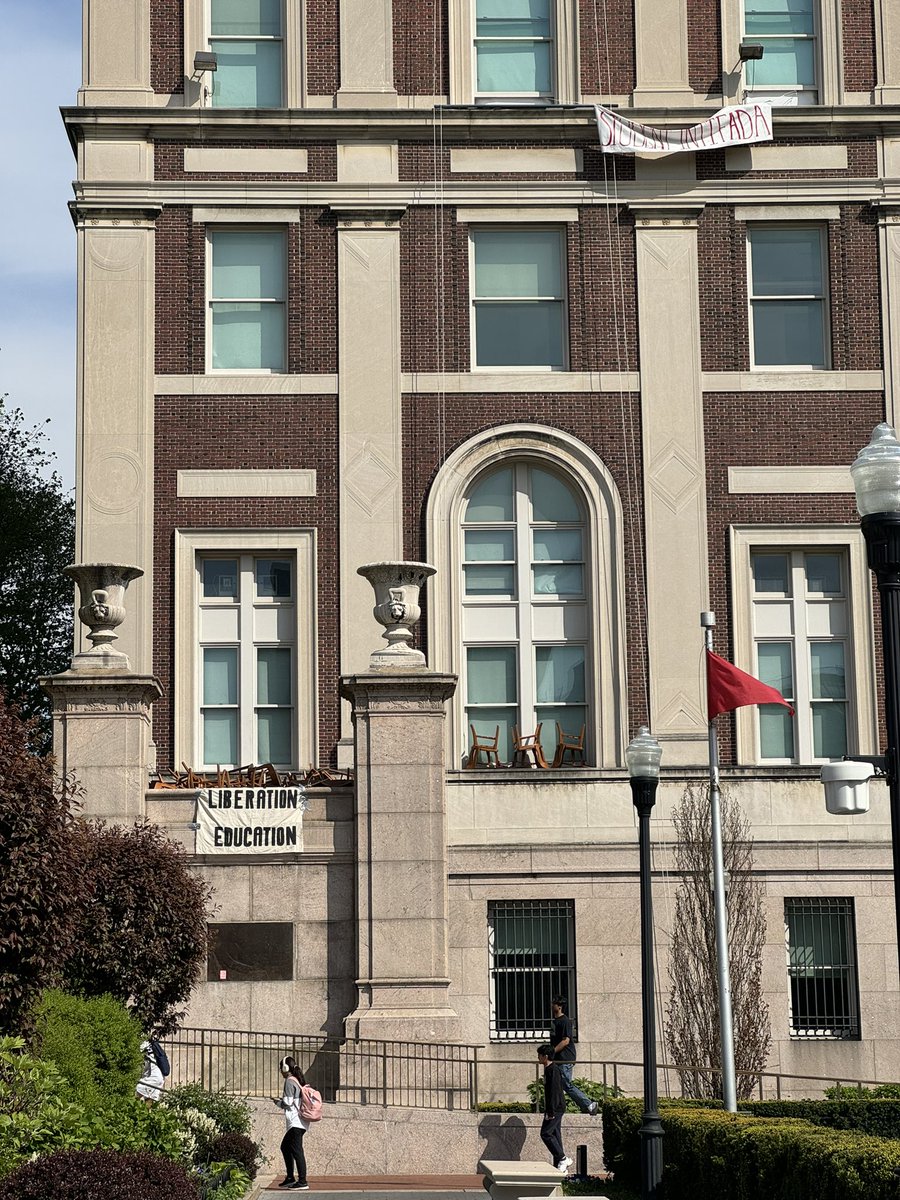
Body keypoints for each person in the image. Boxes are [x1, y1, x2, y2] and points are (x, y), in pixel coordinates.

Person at [550, 995, 598, 1116]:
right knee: (556, 1084)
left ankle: (589, 1104)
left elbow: (565, 1041)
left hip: (565, 1058)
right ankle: (556, 1108)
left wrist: (552, 1052)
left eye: (554, 1004)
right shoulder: (555, 1021)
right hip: (557, 1059)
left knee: (566, 1084)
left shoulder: (565, 1021)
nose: (551, 1006)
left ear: (559, 1007)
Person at [273, 1055, 310, 1190]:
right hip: (300, 1122)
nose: (280, 1071)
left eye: (280, 1068)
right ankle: (290, 1177)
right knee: (286, 1147)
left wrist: (277, 1102)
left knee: (297, 1150)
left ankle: (302, 1181)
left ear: (285, 1068)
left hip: (296, 1122)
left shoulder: (289, 1081)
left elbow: (287, 1103)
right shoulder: (297, 1080)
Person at [537, 1044, 572, 1174]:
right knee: (556, 1135)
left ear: (545, 1056)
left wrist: (551, 1111)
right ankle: (561, 1164)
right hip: (555, 1107)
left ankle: (562, 1158)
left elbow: (554, 1091)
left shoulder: (553, 1070)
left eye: (540, 1055)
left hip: (556, 1107)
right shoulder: (549, 1069)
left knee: (545, 1133)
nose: (538, 1058)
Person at [135, 1040, 164, 1105]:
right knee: (148, 1098)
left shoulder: (144, 1046)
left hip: (153, 1078)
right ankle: (148, 1113)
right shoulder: (152, 1049)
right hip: (159, 1078)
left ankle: (132, 1112)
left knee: (135, 1095)